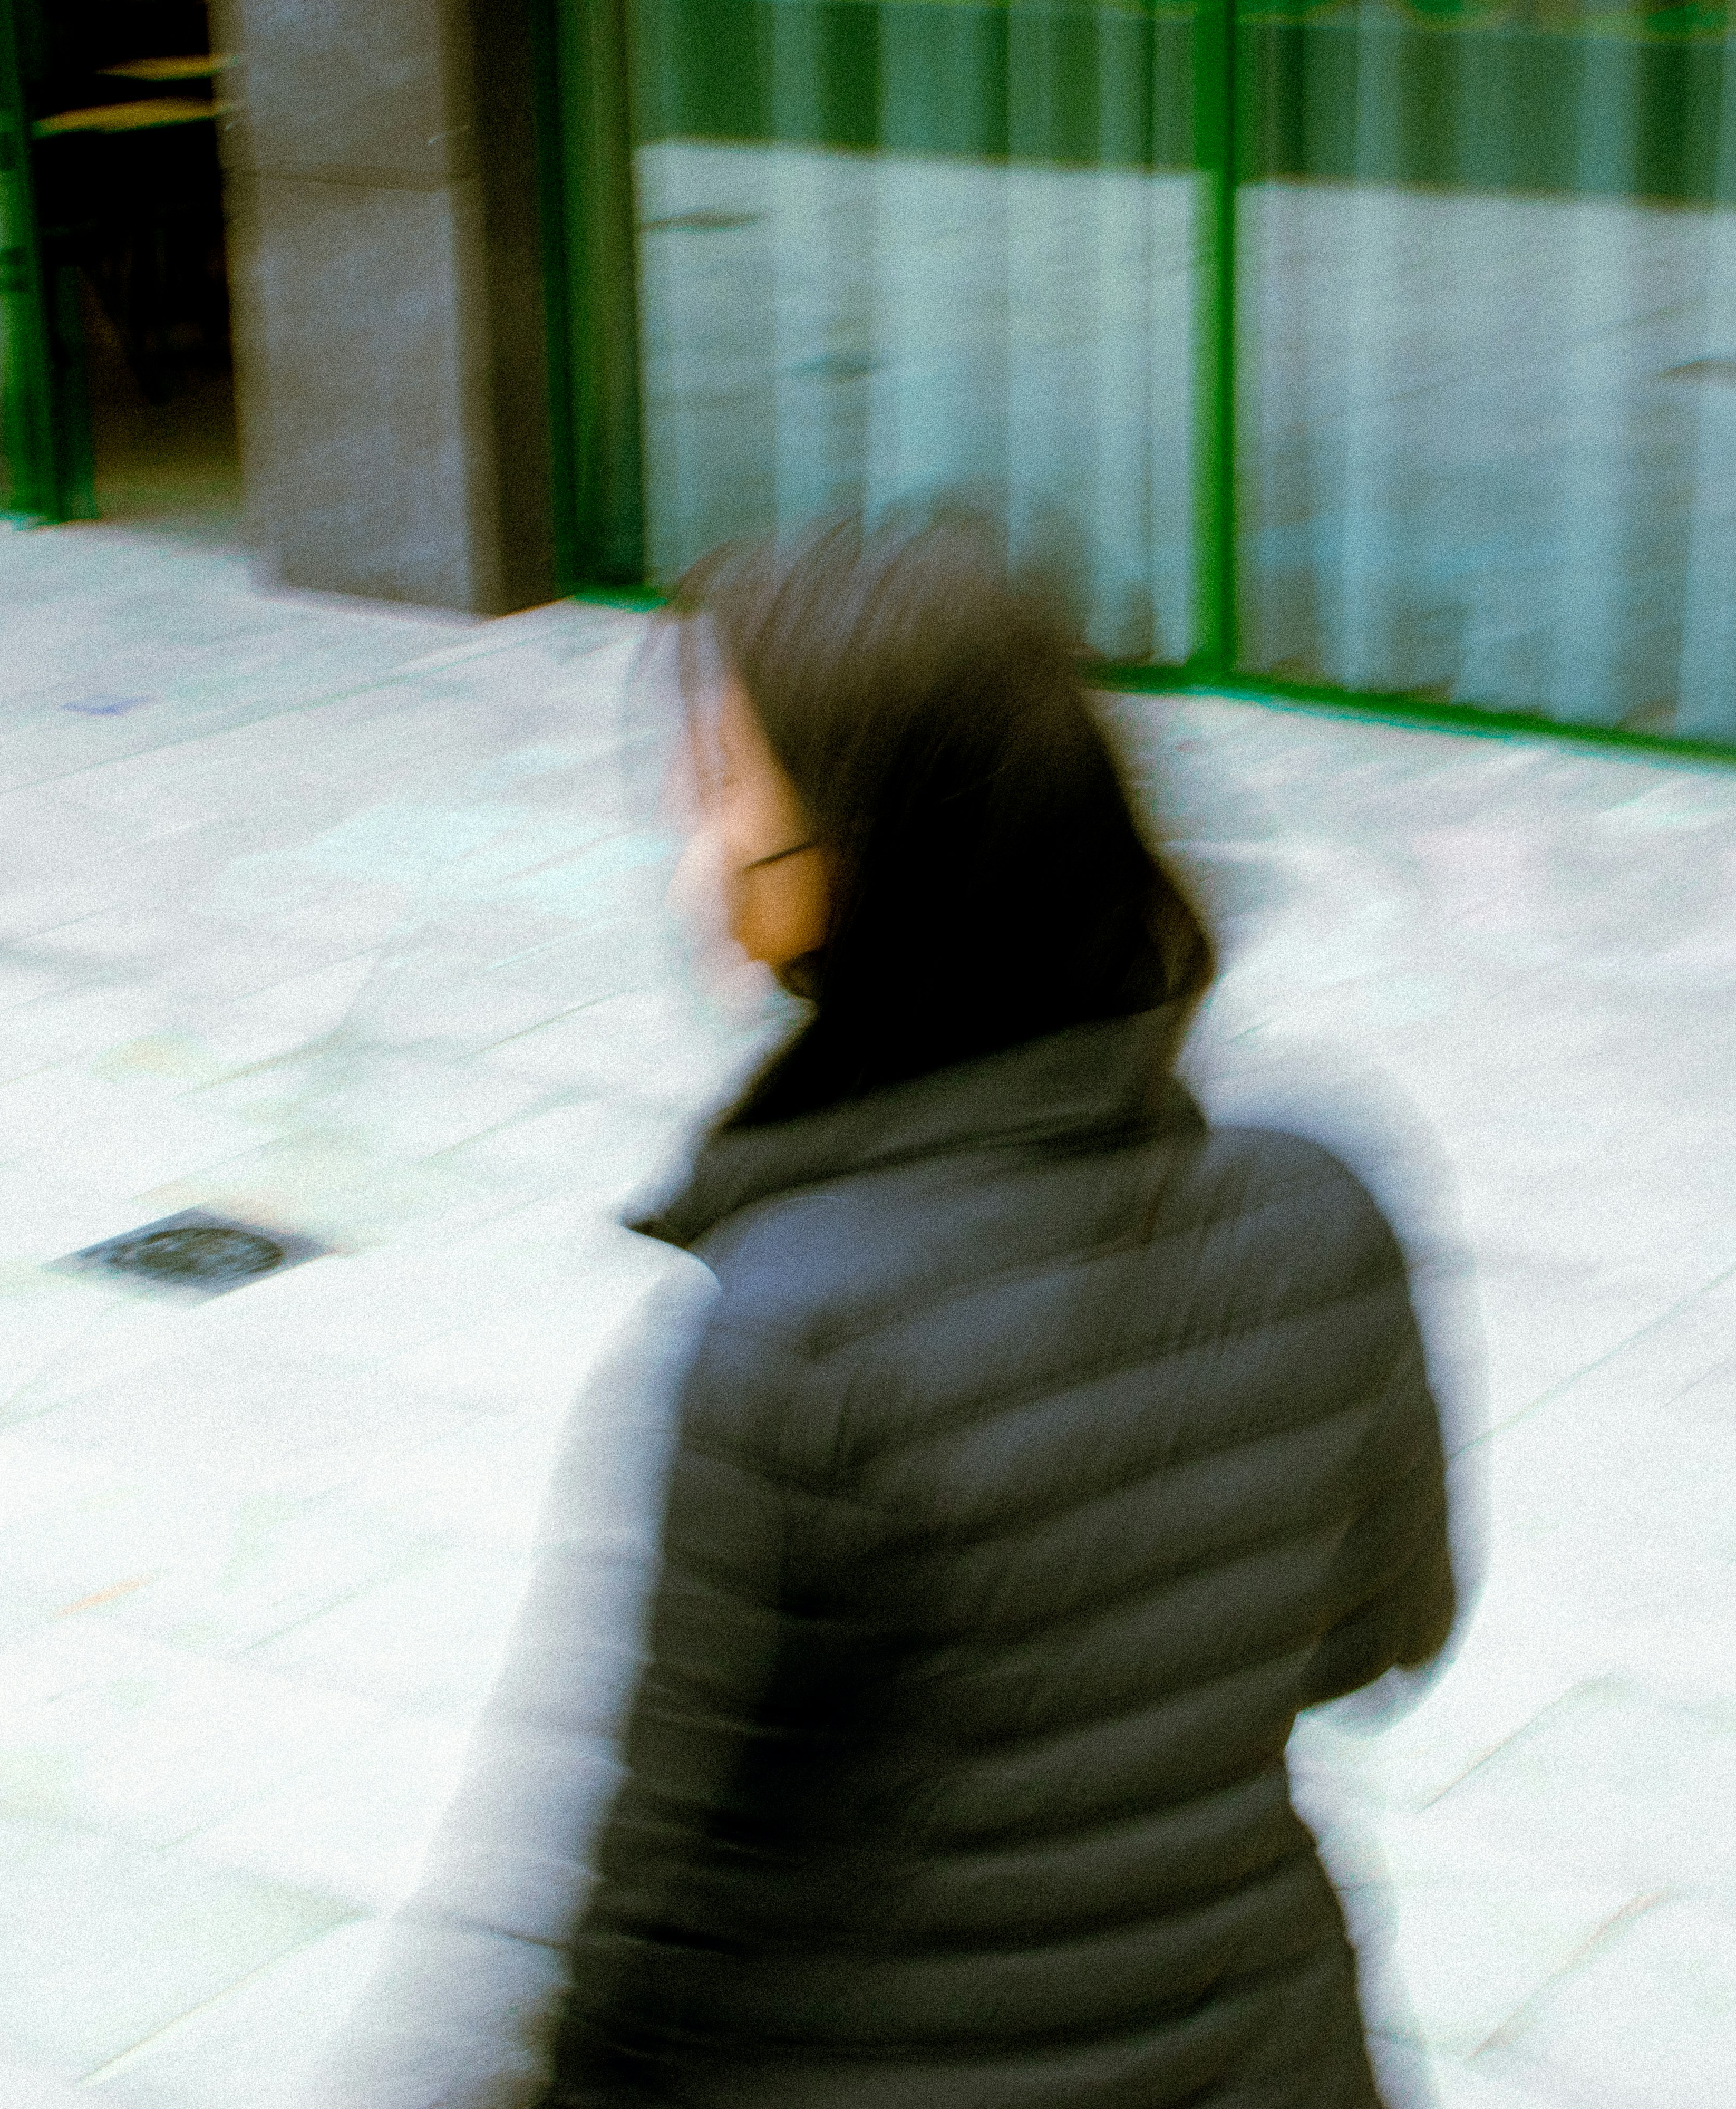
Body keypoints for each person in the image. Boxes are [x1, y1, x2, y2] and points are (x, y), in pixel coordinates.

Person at [329, 501, 1460, 2109]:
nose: (689, 826)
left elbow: (636, 1905)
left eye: (724, 779)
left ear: (863, 855)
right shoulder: (1321, 1200)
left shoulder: (793, 1336)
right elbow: (1377, 1636)